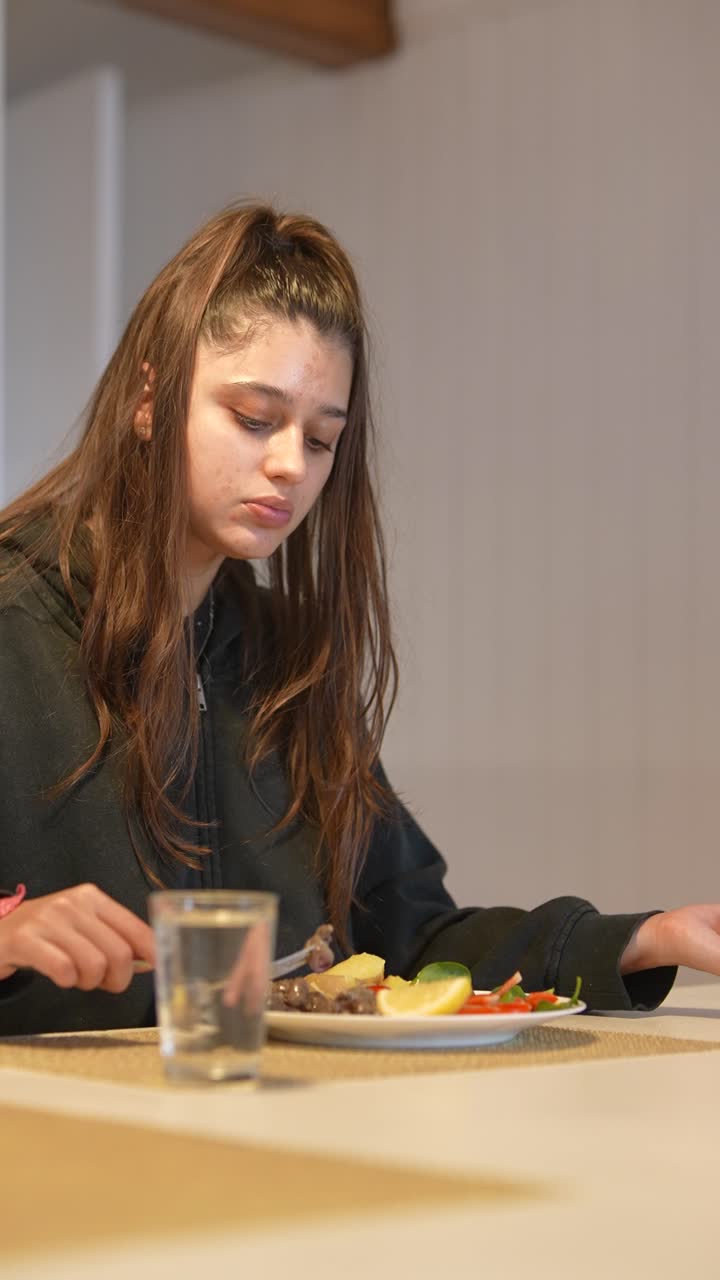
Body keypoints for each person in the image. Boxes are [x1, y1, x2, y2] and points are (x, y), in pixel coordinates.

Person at [1, 202, 718, 1037]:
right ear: (149, 400)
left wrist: (638, 940)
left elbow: (405, 941)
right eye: (254, 419)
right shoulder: (15, 620)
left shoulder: (284, 661)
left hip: (254, 1107)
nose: (289, 465)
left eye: (320, 440)